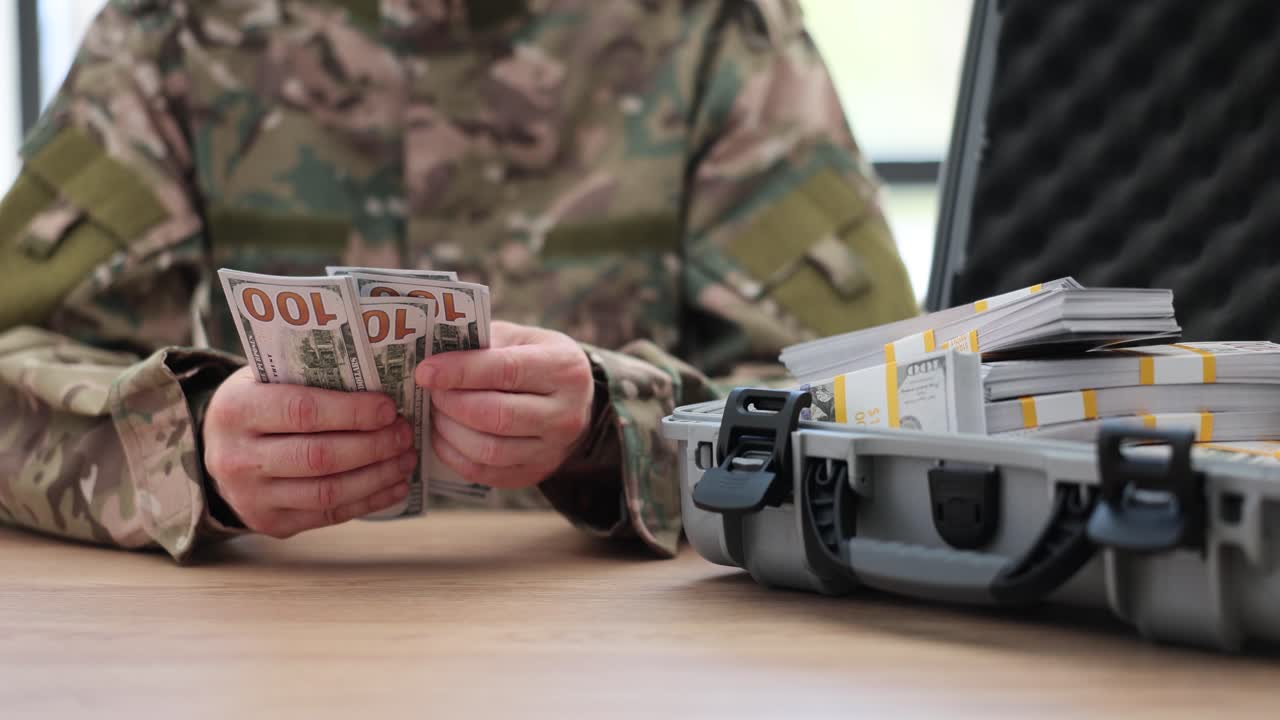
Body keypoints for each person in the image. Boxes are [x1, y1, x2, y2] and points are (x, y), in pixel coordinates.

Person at [0, 0, 919, 562]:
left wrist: (618, 423)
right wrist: (187, 445)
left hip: (627, 652)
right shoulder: (181, 28)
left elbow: (878, 406)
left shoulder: (708, 28)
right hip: (270, 641)